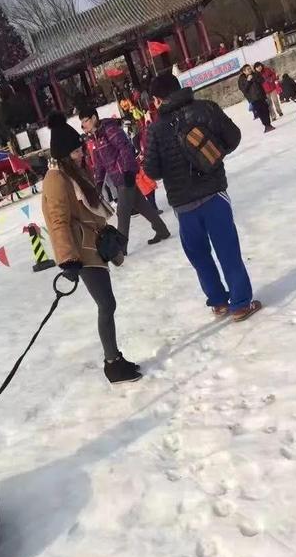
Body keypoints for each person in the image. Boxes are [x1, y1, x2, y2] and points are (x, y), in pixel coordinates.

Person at [143, 71, 262, 322]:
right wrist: (213, 155)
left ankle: (218, 302)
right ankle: (240, 303)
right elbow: (234, 137)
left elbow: (152, 171)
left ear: (157, 99)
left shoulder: (156, 129)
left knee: (199, 255)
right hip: (214, 193)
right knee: (227, 250)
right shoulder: (206, 108)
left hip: (183, 204)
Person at [42, 112, 142, 384]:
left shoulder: (72, 173)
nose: (81, 154)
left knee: (108, 303)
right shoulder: (56, 180)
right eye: (76, 151)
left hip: (92, 244)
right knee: (106, 304)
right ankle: (112, 363)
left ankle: (115, 360)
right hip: (81, 251)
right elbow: (58, 221)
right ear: (63, 154)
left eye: (80, 149)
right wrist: (68, 259)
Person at [78, 103, 170, 246]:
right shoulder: (94, 138)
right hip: (117, 177)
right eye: (82, 123)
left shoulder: (109, 129)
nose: (83, 125)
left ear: (94, 118)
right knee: (141, 205)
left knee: (122, 212)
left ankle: (121, 247)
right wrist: (98, 183)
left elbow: (125, 148)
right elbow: (99, 163)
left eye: (85, 121)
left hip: (124, 175)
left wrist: (127, 171)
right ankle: (162, 229)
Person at [238, 65, 274, 133]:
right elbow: (244, 90)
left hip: (261, 96)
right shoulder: (241, 80)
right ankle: (266, 125)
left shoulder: (255, 74)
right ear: (244, 71)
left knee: (266, 110)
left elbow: (262, 80)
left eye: (250, 68)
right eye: (248, 69)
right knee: (260, 113)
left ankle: (269, 124)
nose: (250, 70)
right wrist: (248, 81)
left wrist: (255, 76)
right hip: (254, 99)